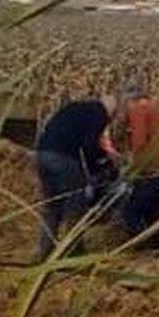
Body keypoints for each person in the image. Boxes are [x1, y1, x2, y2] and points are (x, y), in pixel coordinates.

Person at [33, 93, 119, 260]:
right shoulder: (99, 113)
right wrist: (101, 168)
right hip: (63, 159)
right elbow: (89, 146)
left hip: (41, 155)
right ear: (111, 111)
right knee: (75, 204)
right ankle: (73, 252)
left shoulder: (77, 108)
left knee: (52, 207)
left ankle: (43, 252)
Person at [114, 80, 159, 249]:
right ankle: (158, 246)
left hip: (158, 172)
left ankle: (142, 247)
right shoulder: (158, 108)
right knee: (151, 211)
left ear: (127, 99)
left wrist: (133, 168)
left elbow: (139, 142)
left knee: (131, 212)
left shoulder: (138, 109)